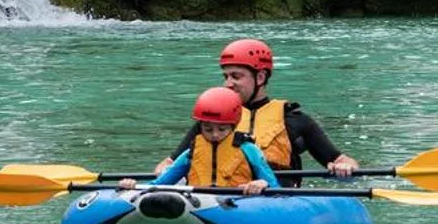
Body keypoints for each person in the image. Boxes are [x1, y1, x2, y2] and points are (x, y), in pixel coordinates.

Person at [156, 39, 359, 187]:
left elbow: (342, 160)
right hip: (222, 196)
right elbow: (169, 163)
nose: (228, 84)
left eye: (236, 76)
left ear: (260, 77)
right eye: (225, 76)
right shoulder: (215, 120)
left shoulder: (295, 120)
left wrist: (345, 167)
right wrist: (165, 171)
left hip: (273, 200)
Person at [127, 87, 281, 194]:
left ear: (233, 126)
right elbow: (160, 184)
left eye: (222, 129)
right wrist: (132, 186)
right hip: (199, 201)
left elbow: (274, 186)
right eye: (208, 129)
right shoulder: (192, 152)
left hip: (238, 202)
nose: (214, 134)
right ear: (200, 126)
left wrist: (262, 184)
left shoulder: (248, 149)